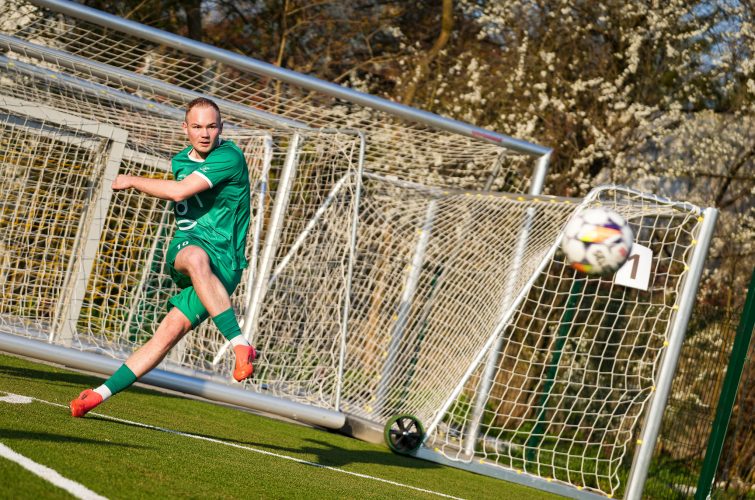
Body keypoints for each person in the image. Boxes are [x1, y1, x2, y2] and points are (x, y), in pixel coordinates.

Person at [70, 97, 256, 417]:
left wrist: (131, 180)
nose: (204, 133)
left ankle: (97, 395)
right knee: (195, 257)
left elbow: (179, 191)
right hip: (188, 246)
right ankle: (240, 344)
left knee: (167, 333)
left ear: (221, 128)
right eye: (197, 126)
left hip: (225, 265)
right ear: (185, 128)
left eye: (211, 126)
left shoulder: (230, 157)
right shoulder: (179, 160)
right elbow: (183, 194)